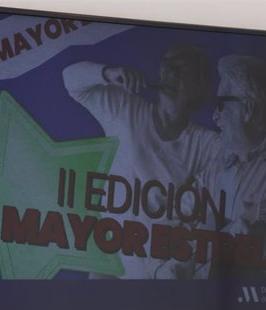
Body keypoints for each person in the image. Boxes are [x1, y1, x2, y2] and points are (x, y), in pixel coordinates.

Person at [63, 43, 220, 279]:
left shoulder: (207, 144)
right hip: (107, 261)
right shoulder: (125, 108)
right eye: (166, 67)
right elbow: (71, 80)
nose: (170, 74)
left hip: (151, 271)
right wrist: (108, 73)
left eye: (181, 69)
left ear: (199, 87)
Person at [194, 55, 266, 277]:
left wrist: (261, 246)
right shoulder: (215, 168)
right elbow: (182, 225)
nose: (214, 116)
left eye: (221, 105)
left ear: (247, 109)